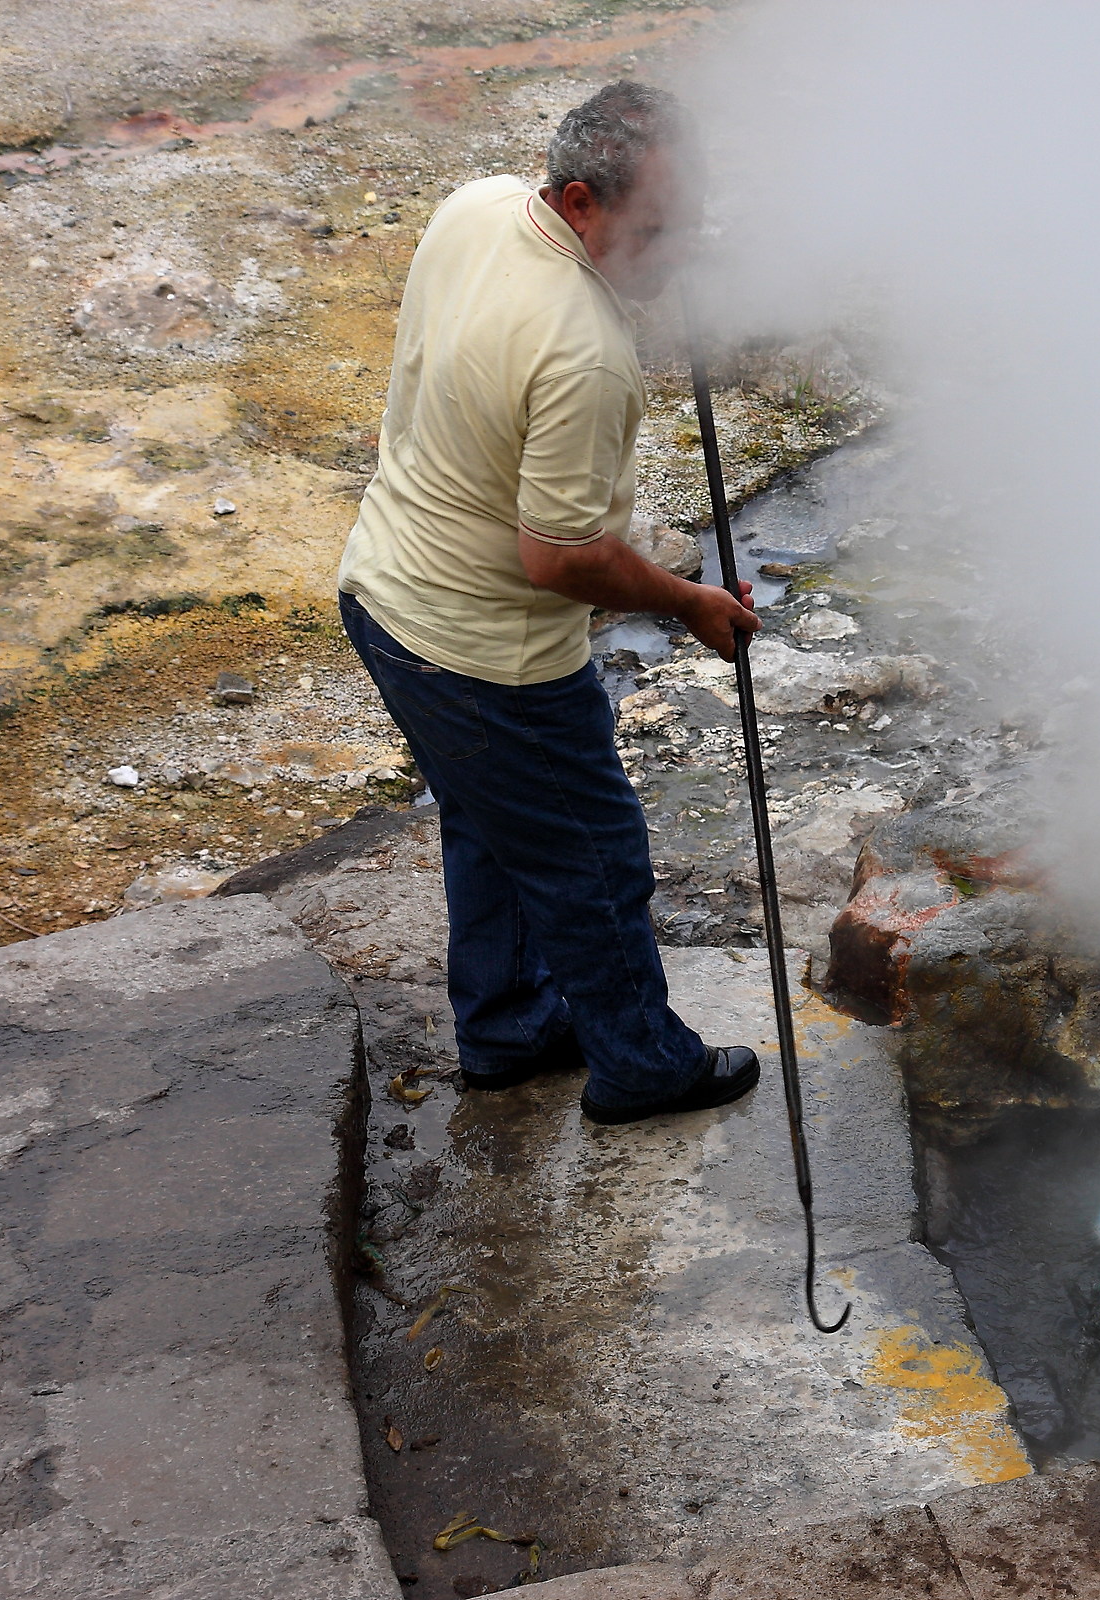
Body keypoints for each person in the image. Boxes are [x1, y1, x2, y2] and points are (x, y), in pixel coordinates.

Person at [336, 81, 766, 1125]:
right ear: (580, 202)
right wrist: (689, 601)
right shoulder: (584, 350)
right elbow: (561, 558)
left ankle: (507, 1027)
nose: (673, 255)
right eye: (657, 231)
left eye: (688, 227)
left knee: (492, 826)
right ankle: (642, 1063)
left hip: (388, 596)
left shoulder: (478, 206)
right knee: (593, 857)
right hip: (489, 657)